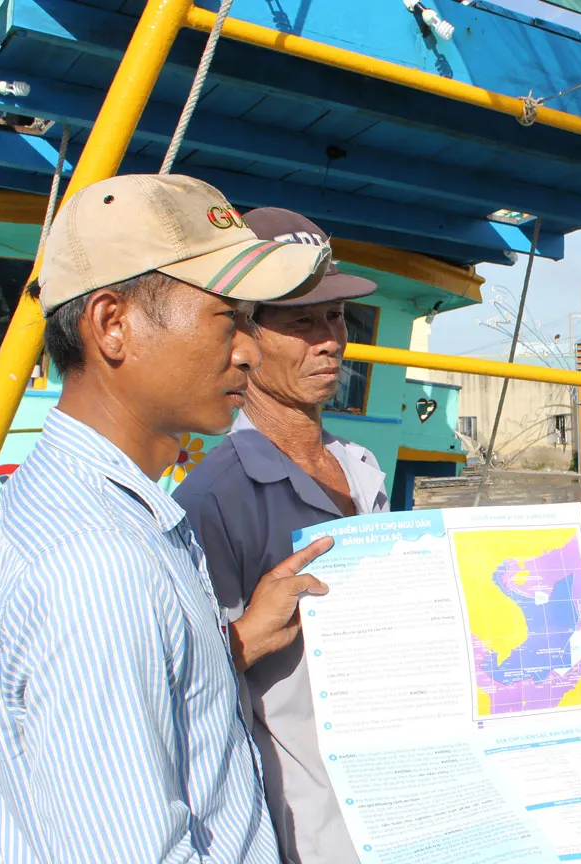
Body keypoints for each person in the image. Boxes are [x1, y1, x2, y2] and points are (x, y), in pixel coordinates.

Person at [0, 174, 338, 862]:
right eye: (227, 317)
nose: (248, 350)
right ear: (113, 324)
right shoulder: (98, 561)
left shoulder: (93, 503)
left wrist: (236, 646)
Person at [173, 207, 388, 864]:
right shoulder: (214, 499)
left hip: (390, 795)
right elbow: (187, 693)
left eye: (337, 318)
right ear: (245, 339)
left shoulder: (362, 465)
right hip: (301, 824)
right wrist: (237, 645)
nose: (330, 341)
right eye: (302, 322)